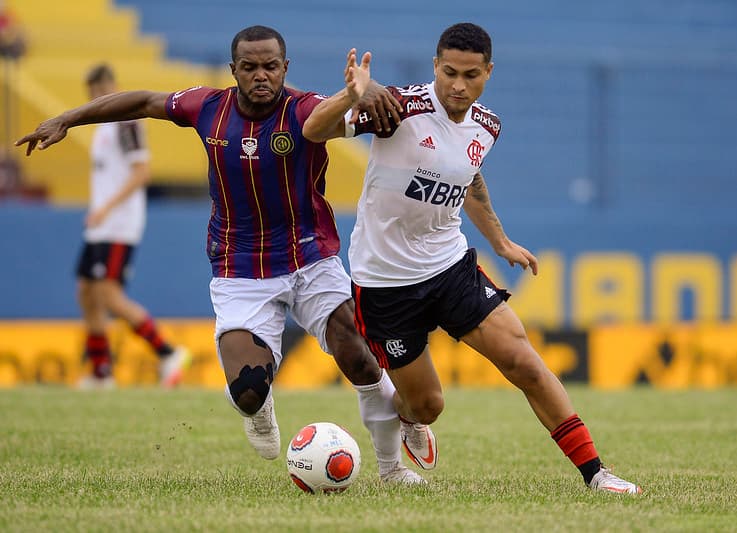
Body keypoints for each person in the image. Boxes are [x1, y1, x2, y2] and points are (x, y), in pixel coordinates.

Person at [16, 26, 430, 484]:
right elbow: (142, 102)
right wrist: (68, 119)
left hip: (311, 259)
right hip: (240, 270)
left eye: (270, 66)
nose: (260, 75)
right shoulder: (207, 108)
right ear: (233, 70)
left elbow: (364, 110)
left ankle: (391, 470)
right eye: (249, 67)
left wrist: (364, 90)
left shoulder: (305, 109)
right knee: (249, 391)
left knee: (360, 358)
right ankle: (259, 409)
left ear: (285, 68)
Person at [302, 22, 642, 494]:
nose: (458, 85)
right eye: (449, 72)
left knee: (523, 361)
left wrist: (501, 243)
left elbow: (470, 181)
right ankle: (409, 420)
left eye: (471, 75)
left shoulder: (487, 125)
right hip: (384, 284)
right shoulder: (396, 108)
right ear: (435, 66)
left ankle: (596, 474)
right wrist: (349, 95)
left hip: (450, 268)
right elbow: (312, 129)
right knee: (428, 405)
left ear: (488, 72)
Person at [72, 64, 191, 389]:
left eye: (102, 91)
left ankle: (167, 352)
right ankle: (101, 373)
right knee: (86, 291)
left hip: (118, 225)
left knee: (109, 296)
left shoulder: (126, 122)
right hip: (100, 224)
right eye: (93, 94)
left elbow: (142, 172)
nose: (98, 98)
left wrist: (106, 209)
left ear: (113, 86)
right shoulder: (102, 128)